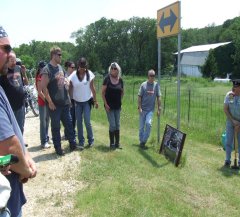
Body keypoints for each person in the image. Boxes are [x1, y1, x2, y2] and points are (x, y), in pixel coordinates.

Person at [0, 25, 37, 217]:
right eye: (5, 48)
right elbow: (9, 150)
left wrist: (26, 156)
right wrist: (25, 168)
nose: (10, 53)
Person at [40, 46, 77, 156]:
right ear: (53, 55)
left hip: (65, 103)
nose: (61, 56)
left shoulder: (60, 67)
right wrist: (50, 102)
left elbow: (66, 78)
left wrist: (67, 82)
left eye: (61, 54)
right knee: (56, 127)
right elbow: (43, 87)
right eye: (59, 55)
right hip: (54, 105)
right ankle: (58, 148)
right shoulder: (46, 69)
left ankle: (73, 144)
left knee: (69, 125)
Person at [69, 57, 98, 150]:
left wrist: (95, 101)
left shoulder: (89, 74)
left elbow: (93, 88)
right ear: (78, 66)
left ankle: (91, 140)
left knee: (87, 121)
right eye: (81, 67)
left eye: (84, 67)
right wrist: (70, 99)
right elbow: (70, 87)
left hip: (86, 101)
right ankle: (81, 141)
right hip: (77, 102)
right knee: (79, 122)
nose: (83, 69)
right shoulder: (73, 75)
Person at [0, 51, 28, 134]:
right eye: (11, 60)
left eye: (14, 60)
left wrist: (24, 73)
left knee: (20, 127)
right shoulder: (3, 71)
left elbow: (26, 83)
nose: (14, 62)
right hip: (10, 106)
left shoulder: (18, 69)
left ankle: (21, 143)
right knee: (11, 129)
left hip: (20, 104)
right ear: (7, 60)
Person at [102, 62, 124, 149]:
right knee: (113, 125)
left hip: (118, 106)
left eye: (115, 68)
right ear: (110, 69)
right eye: (112, 68)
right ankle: (111, 143)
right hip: (109, 106)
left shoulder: (120, 80)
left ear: (118, 70)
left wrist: (120, 101)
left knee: (117, 124)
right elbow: (102, 93)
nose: (113, 70)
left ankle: (117, 144)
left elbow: (122, 92)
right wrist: (106, 104)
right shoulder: (107, 79)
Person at [138, 69, 161, 149]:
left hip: (150, 110)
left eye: (153, 75)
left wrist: (159, 108)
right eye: (151, 75)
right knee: (141, 127)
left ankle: (143, 141)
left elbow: (158, 97)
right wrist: (140, 108)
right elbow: (139, 96)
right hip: (142, 109)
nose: (152, 77)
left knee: (148, 124)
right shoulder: (143, 85)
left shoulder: (156, 85)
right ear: (148, 76)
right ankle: (141, 142)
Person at [223, 80, 240, 167]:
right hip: (230, 121)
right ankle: (227, 160)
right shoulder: (230, 95)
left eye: (236, 87)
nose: (234, 89)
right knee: (228, 140)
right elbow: (225, 109)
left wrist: (238, 125)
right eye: (233, 87)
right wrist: (233, 121)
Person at [35, 61, 51, 149]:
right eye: (43, 67)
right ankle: (43, 141)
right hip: (43, 103)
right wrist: (48, 101)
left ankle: (47, 138)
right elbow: (40, 92)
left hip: (47, 102)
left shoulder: (45, 76)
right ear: (40, 68)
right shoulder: (40, 77)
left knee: (47, 120)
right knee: (43, 122)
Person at [62, 61, 76, 140]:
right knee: (68, 118)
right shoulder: (65, 75)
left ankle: (72, 133)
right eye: (72, 67)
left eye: (74, 67)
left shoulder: (75, 75)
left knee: (74, 118)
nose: (73, 69)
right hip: (67, 99)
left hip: (75, 98)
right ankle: (67, 134)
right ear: (68, 67)